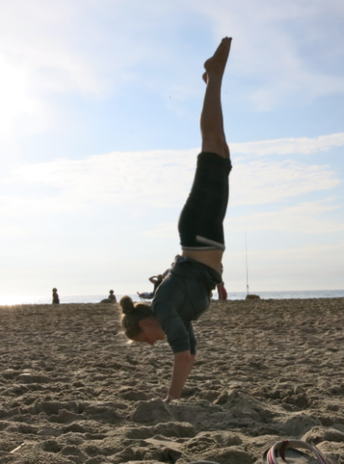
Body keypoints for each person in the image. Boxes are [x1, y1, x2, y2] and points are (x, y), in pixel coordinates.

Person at [119, 37, 232, 403]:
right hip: (206, 237)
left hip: (199, 232)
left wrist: (169, 402)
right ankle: (212, 81)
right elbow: (191, 353)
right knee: (221, 153)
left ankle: (213, 77)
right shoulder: (173, 315)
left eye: (145, 339)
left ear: (146, 324)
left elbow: (182, 357)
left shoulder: (166, 308)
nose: (152, 343)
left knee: (212, 147)